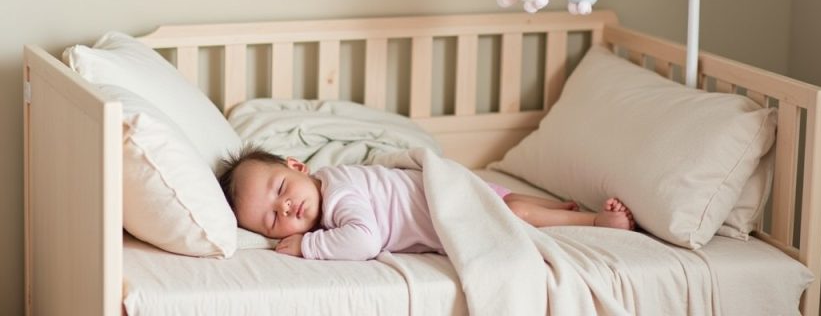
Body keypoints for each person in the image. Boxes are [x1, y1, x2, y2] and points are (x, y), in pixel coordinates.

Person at [217, 145, 635, 261]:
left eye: (279, 189)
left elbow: (363, 241)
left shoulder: (338, 197)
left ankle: (593, 221)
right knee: (506, 198)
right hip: (455, 189)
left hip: (451, 205)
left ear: (297, 166)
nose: (286, 207)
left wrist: (307, 246)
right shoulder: (334, 178)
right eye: (273, 220)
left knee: (514, 214)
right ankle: (561, 206)